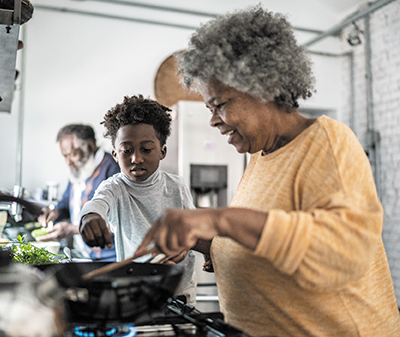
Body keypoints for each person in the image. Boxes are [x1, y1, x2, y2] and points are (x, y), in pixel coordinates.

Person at [133, 5, 400, 337]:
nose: (214, 120)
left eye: (220, 104)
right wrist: (196, 237)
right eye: (209, 108)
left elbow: (344, 251)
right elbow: (261, 240)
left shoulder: (327, 142)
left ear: (263, 86)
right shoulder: (261, 156)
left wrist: (217, 219)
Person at [79, 94, 197, 305]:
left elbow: (195, 229)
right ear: (115, 155)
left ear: (162, 152)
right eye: (127, 151)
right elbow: (96, 204)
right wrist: (89, 217)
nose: (136, 158)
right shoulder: (114, 187)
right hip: (137, 292)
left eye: (146, 149)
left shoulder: (177, 187)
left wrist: (191, 248)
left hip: (180, 291)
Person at [37, 124, 119, 261]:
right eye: (65, 156)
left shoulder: (113, 169)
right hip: (84, 255)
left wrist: (73, 229)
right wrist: (54, 212)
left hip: (109, 259)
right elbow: (66, 201)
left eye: (73, 154)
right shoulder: (79, 169)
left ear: (90, 146)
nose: (68, 162)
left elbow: (119, 222)